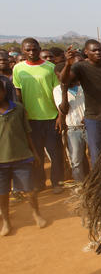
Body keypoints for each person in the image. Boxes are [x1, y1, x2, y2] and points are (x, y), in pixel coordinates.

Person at [59, 40, 101, 166]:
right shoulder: (80, 67)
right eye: (94, 50)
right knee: (98, 154)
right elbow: (64, 80)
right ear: (86, 52)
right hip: (94, 118)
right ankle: (99, 182)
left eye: (100, 49)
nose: (98, 52)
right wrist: (67, 64)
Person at [12, 38, 64, 193]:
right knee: (37, 154)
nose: (31, 52)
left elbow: (58, 94)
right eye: (28, 50)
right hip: (31, 120)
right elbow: (18, 93)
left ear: (39, 48)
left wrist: (60, 116)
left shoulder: (50, 67)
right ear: (23, 51)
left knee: (55, 153)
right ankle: (40, 183)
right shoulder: (18, 69)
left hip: (51, 117)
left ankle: (56, 183)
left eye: (34, 49)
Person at [0, 80, 46, 236]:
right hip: (1, 162)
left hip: (22, 157)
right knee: (3, 194)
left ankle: (36, 214)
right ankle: (6, 221)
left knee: (30, 190)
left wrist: (35, 153)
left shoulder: (18, 109)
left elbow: (27, 132)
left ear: (4, 92)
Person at [53, 74, 87, 183]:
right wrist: (64, 92)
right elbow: (64, 109)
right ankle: (79, 184)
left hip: (89, 126)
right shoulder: (58, 90)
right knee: (76, 159)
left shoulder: (84, 87)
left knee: (97, 155)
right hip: (73, 128)